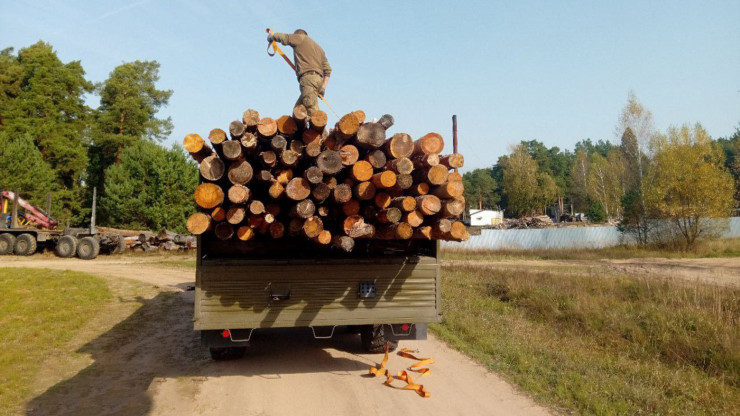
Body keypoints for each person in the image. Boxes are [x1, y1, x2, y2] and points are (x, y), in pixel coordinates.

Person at [268, 29, 331, 116]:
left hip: (308, 80)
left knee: (312, 111)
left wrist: (272, 37)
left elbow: (285, 37)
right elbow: (328, 70)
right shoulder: (319, 48)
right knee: (297, 112)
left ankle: (321, 130)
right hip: (318, 80)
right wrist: (323, 87)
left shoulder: (300, 38)